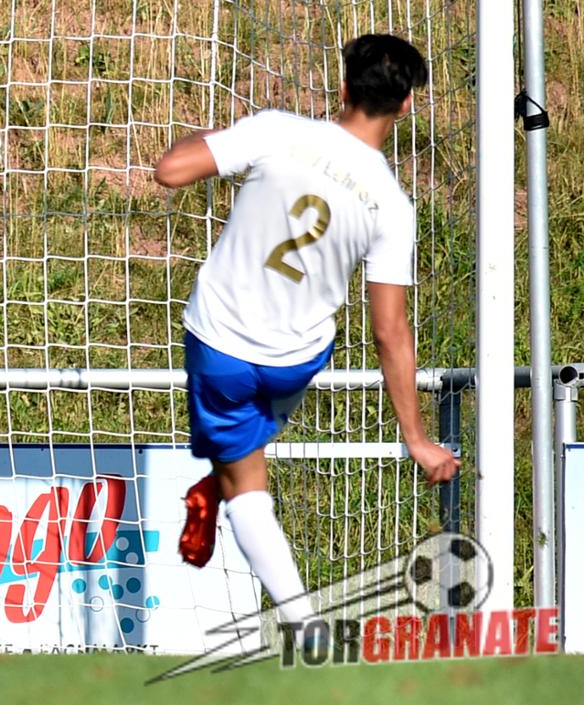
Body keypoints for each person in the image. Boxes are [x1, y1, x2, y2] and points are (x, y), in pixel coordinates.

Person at [151, 34, 460, 627]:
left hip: (221, 345)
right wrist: (417, 439)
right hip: (296, 361)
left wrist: (222, 139)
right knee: (252, 432)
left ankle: (302, 623)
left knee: (247, 488)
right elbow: (390, 331)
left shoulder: (276, 131)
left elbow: (170, 171)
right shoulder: (393, 207)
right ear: (405, 105)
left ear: (342, 89)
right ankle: (223, 474)